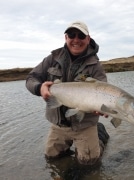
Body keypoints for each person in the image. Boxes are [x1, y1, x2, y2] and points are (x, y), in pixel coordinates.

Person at [25, 21, 109, 165]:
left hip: (85, 125)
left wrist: (104, 108)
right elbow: (31, 79)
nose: (76, 40)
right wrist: (40, 88)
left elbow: (104, 92)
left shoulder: (96, 66)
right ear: (66, 37)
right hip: (58, 125)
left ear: (88, 39)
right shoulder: (52, 59)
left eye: (81, 36)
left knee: (90, 163)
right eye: (71, 35)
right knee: (52, 159)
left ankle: (100, 138)